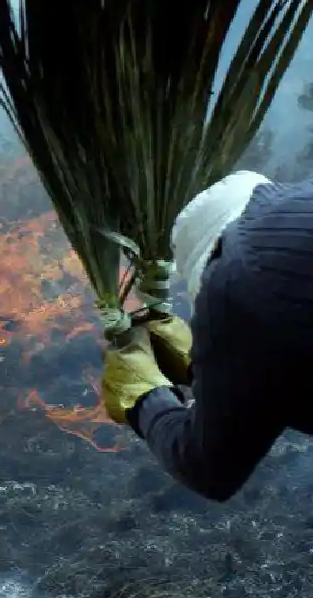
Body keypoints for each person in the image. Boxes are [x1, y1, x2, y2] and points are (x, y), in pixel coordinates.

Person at [101, 168, 313, 502]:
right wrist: (212, 370)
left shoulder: (236, 284)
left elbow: (208, 467)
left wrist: (143, 396)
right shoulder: (301, 199)